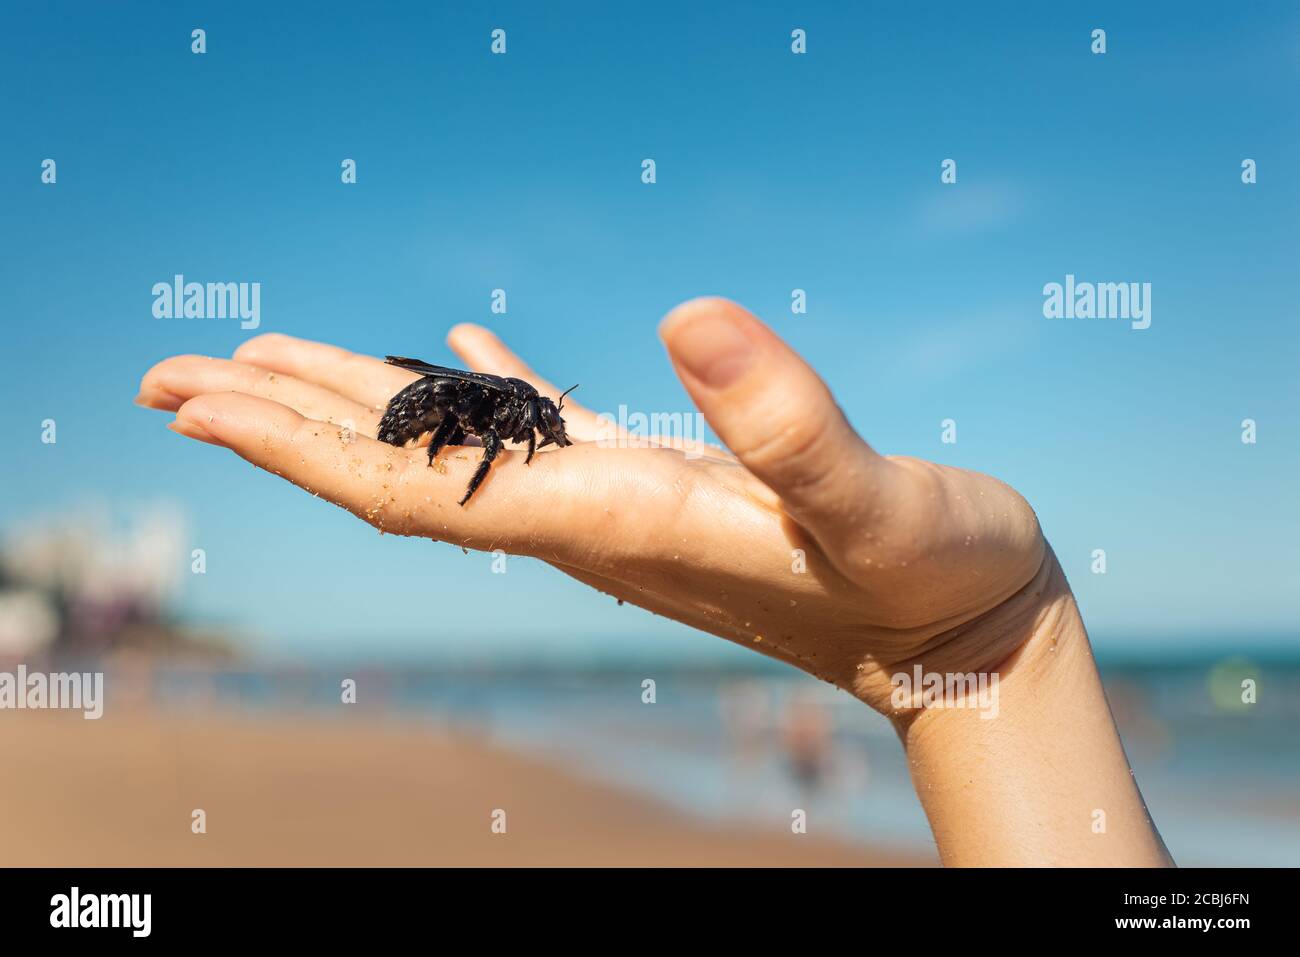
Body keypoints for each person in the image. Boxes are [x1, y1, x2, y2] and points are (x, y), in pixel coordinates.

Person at [136, 297, 1174, 866]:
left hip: (450, 401)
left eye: (537, 425)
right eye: (534, 425)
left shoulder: (513, 412)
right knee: (456, 410)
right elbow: (466, 415)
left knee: (459, 409)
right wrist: (990, 652)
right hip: (446, 401)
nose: (535, 432)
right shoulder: (492, 413)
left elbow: (493, 416)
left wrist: (977, 642)